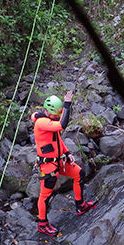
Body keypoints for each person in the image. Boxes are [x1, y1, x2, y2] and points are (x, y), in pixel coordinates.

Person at [31, 90, 97, 235]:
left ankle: (80, 205)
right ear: (48, 111)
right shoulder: (42, 122)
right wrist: (67, 103)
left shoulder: (49, 121)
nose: (58, 116)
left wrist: (67, 153)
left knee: (79, 173)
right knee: (45, 195)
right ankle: (42, 224)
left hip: (59, 161)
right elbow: (63, 125)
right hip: (48, 165)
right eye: (56, 114)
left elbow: (58, 140)